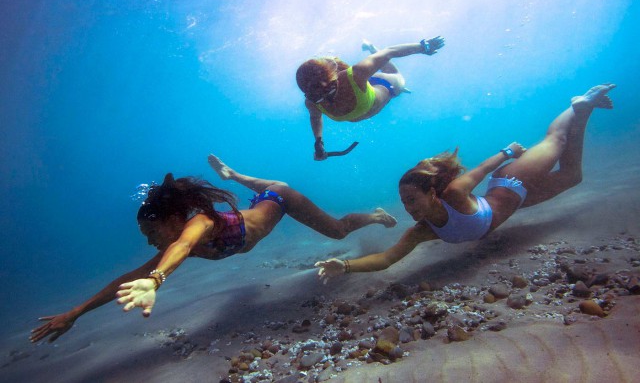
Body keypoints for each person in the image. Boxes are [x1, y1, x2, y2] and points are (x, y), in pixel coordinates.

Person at [30, 154, 397, 343]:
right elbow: (128, 277)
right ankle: (234, 176)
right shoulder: (181, 239)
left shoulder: (198, 225)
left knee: (336, 231)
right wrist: (76, 312)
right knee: (258, 195)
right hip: (258, 203)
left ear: (174, 220)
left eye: (151, 232)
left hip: (280, 199)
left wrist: (156, 280)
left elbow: (183, 245)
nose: (149, 241)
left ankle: (376, 216)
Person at [315, 84, 616, 280]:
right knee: (572, 176)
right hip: (517, 200)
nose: (408, 208)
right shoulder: (423, 231)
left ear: (432, 193)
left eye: (412, 200)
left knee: (557, 139)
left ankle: (577, 105)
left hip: (513, 180)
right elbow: (386, 258)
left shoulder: (455, 193)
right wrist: (344, 266)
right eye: (404, 202)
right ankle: (584, 110)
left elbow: (483, 169)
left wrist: (508, 152)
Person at [296, 36, 445, 160]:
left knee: (395, 74)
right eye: (316, 97)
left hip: (387, 85)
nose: (325, 99)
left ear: (334, 80)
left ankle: (372, 48)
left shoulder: (356, 73)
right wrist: (318, 142)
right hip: (365, 87)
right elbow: (315, 118)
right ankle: (372, 53)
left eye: (328, 91)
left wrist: (423, 47)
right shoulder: (312, 101)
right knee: (368, 76)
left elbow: (389, 52)